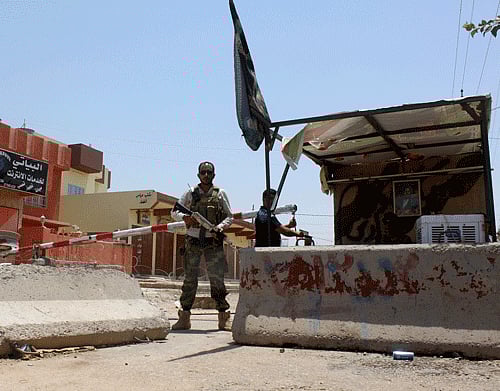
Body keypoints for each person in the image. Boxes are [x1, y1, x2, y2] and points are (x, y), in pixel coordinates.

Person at [171, 161, 233, 331]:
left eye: (209, 172)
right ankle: (184, 317)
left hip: (212, 241)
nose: (206, 175)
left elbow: (229, 217)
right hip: (193, 240)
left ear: (214, 174)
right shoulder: (190, 193)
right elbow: (174, 211)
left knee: (217, 279)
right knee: (190, 279)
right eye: (203, 172)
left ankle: (223, 316)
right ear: (198, 175)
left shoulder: (220, 194)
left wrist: (219, 228)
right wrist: (185, 218)